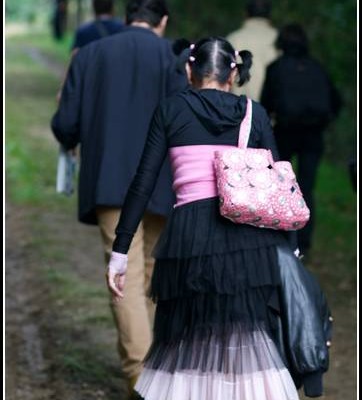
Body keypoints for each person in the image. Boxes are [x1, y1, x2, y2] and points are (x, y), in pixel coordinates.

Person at [106, 37, 332, 400]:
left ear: (188, 70)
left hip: (188, 240)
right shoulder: (252, 113)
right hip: (247, 242)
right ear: (233, 73)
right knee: (246, 341)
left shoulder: (171, 110)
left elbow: (142, 184)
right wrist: (290, 251)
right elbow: (280, 187)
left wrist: (120, 250)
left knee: (187, 343)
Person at [51, 0, 187, 398]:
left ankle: (143, 377)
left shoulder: (90, 54)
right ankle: (157, 371)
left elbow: (66, 125)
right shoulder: (177, 57)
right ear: (162, 21)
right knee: (153, 273)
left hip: (112, 184)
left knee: (124, 277)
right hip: (166, 180)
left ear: (129, 17)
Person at [260, 24, 342, 256]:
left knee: (280, 185)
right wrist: (324, 122)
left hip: (285, 132)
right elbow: (336, 101)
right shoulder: (318, 68)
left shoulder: (276, 68)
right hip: (313, 135)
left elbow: (266, 104)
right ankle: (304, 242)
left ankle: (282, 234)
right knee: (307, 187)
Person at [226, 0, 278, 100]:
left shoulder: (233, 39)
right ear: (270, 14)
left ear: (245, 14)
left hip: (239, 110)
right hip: (270, 111)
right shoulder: (279, 39)